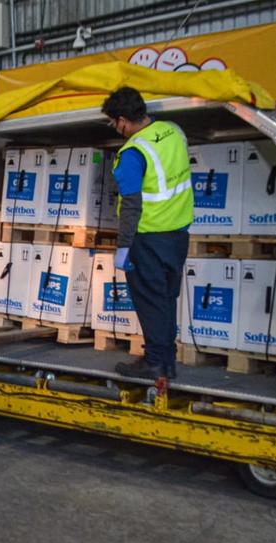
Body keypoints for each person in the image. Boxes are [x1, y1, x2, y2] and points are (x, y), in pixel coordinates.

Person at [102, 87, 193, 380]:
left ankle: (155, 363)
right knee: (166, 299)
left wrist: (123, 247)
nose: (116, 128)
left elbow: (131, 205)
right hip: (178, 234)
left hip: (148, 237)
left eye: (113, 123)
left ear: (122, 121)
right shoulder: (172, 132)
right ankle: (166, 361)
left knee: (150, 301)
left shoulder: (132, 153)